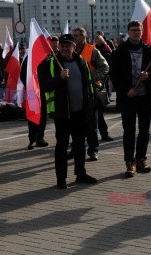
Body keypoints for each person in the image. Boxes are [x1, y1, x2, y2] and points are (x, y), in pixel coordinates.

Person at [39, 34, 98, 188]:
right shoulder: (51, 63)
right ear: (59, 47)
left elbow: (88, 85)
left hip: (80, 112)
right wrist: (59, 78)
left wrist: (90, 106)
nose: (65, 48)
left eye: (68, 46)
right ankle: (61, 179)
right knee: (62, 147)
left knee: (79, 145)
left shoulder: (81, 61)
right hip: (62, 114)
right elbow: (43, 85)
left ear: (74, 47)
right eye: (62, 46)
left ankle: (80, 173)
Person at [110, 21, 151, 177]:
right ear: (128, 32)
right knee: (129, 131)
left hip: (146, 97)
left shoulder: (149, 50)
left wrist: (148, 75)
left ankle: (141, 159)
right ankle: (129, 162)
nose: (136, 33)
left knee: (145, 131)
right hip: (128, 98)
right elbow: (114, 75)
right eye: (133, 30)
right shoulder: (119, 51)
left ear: (142, 31)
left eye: (138, 30)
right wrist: (126, 90)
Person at [71, 27, 109, 160]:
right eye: (73, 35)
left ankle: (93, 150)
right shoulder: (70, 51)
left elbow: (105, 67)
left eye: (76, 36)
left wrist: (91, 77)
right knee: (75, 125)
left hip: (90, 92)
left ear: (83, 37)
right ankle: (76, 148)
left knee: (92, 124)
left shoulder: (92, 51)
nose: (74, 38)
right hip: (75, 93)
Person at [94, 35, 114, 142]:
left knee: (99, 112)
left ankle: (104, 134)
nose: (97, 42)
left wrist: (95, 76)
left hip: (97, 84)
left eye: (98, 41)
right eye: (95, 41)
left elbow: (105, 66)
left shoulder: (98, 51)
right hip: (86, 88)